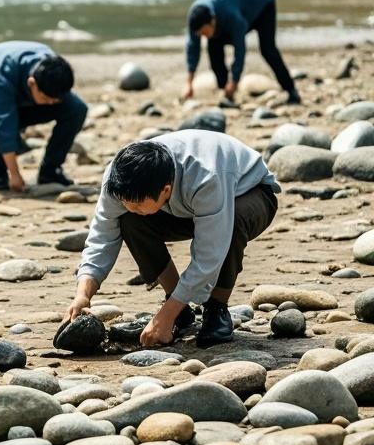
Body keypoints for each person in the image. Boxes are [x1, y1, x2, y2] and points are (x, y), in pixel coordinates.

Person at [64, 130, 280, 348]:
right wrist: (83, 294)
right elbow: (101, 238)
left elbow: (209, 254)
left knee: (231, 226)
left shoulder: (206, 176)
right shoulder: (119, 177)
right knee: (128, 220)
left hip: (250, 193)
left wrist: (163, 317)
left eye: (138, 203)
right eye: (124, 200)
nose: (130, 206)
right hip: (184, 208)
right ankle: (178, 306)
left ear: (165, 190)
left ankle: (217, 308)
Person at [0, 41, 87, 191]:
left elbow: (59, 100)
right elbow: (3, 124)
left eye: (55, 100)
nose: (51, 104)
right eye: (47, 99)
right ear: (32, 83)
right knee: (3, 121)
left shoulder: (53, 69)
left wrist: (52, 100)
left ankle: (50, 171)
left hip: (22, 103)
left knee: (76, 108)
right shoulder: (4, 72)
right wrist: (15, 175)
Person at [183, 0, 300, 105]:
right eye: (201, 35)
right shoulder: (195, 19)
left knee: (268, 49)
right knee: (213, 47)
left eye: (205, 33)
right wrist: (189, 83)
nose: (204, 36)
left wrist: (235, 80)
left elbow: (240, 50)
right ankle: (226, 93)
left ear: (213, 21)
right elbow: (192, 47)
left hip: (263, 2)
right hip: (237, 3)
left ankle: (291, 90)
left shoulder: (231, 16)